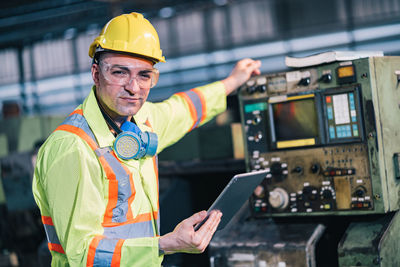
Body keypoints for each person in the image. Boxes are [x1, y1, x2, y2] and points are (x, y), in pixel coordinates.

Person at [32, 12, 261, 266]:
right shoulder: (73, 146)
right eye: (120, 73)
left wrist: (233, 81)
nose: (134, 87)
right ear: (96, 74)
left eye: (144, 75)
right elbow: (82, 252)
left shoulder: (142, 121)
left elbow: (185, 109)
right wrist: (166, 244)